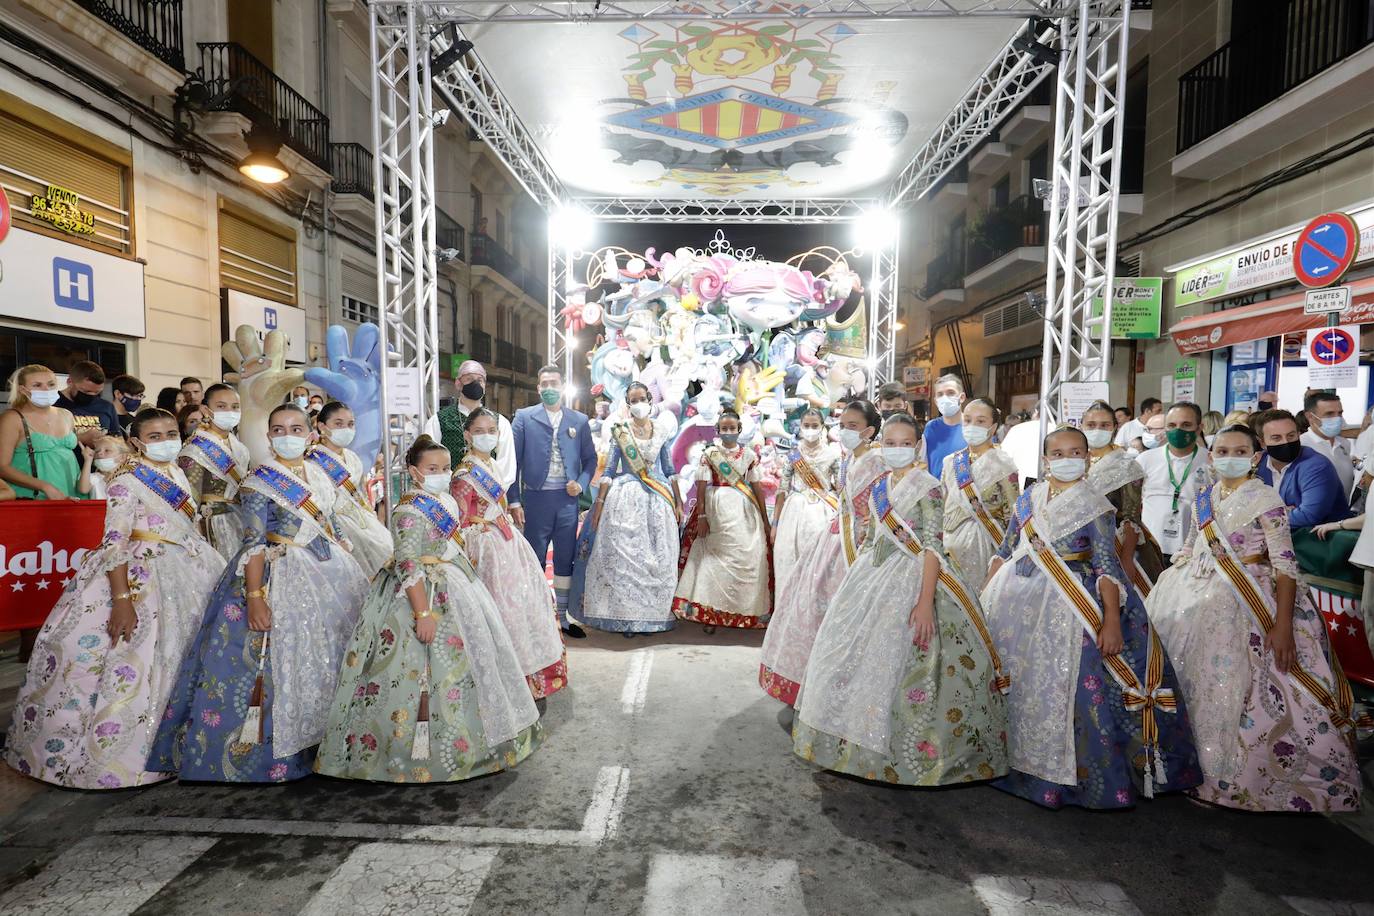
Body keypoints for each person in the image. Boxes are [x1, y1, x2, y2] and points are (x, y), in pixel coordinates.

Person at [5, 408, 226, 789]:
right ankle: (132, 757)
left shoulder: (174, 472)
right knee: (137, 661)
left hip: (186, 570)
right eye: (154, 436)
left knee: (184, 657)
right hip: (140, 574)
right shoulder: (126, 479)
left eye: (171, 432)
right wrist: (122, 600)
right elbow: (114, 542)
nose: (165, 441)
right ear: (137, 442)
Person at [981, 426, 1200, 809]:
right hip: (1016, 605)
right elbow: (1005, 549)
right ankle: (1011, 761)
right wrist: (982, 599)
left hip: (1073, 604)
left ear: (1087, 457)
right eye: (1059, 452)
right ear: (1047, 459)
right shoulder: (1029, 498)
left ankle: (1062, 778)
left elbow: (1106, 566)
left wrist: (1111, 620)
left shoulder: (1095, 504)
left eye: (1076, 451)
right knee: (1018, 683)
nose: (1068, 459)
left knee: (1069, 688)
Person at [149, 404, 370, 783]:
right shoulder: (258, 482)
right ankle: (281, 751)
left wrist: (349, 557)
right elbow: (252, 543)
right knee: (284, 660)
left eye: (297, 428)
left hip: (330, 570)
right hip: (281, 573)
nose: (289, 435)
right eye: (280, 429)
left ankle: (330, 740)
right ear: (269, 437)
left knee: (333, 653)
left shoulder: (318, 474)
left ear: (310, 434)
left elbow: (330, 521)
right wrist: (254, 596)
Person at [1148, 425, 1359, 812]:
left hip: (1250, 600)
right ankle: (1186, 765)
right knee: (1194, 681)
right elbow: (1192, 546)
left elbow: (1285, 565)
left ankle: (1235, 778)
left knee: (1247, 686)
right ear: (1211, 456)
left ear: (1255, 457)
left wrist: (1282, 626)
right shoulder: (1203, 499)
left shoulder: (1267, 500)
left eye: (1240, 450)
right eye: (1223, 449)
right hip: (1196, 599)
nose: (1231, 456)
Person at [793, 411, 1009, 785]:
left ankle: (901, 757)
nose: (897, 450)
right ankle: (850, 748)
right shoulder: (880, 486)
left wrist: (924, 602)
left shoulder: (929, 487)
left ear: (917, 446)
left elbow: (932, 548)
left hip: (916, 578)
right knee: (848, 658)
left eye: (905, 444)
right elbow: (872, 537)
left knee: (905, 664)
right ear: (881, 444)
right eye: (889, 444)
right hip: (872, 578)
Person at [317, 436, 543, 782]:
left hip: (455, 586)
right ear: (414, 472)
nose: (440, 474)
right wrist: (423, 614)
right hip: (417, 597)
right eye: (431, 469)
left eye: (445, 468)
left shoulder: (446, 501)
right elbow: (408, 565)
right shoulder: (408, 510)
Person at [762, 399, 881, 704]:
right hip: (833, 537)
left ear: (868, 431)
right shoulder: (850, 458)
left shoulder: (875, 462)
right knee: (811, 605)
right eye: (842, 425)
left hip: (855, 544)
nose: (844, 431)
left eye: (852, 426)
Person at [451, 410, 568, 696]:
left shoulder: (488, 463)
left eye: (491, 429)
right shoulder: (464, 475)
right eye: (479, 430)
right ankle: (504, 681)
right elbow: (461, 523)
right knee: (502, 608)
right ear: (467, 435)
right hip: (486, 549)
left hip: (506, 541)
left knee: (522, 603)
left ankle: (528, 672)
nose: (486, 435)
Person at [580, 383, 680, 634]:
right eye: (632, 400)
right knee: (624, 560)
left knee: (656, 558)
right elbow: (610, 471)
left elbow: (669, 470)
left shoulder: (661, 430)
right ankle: (626, 617)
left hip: (657, 499)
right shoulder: (620, 432)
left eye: (642, 399)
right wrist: (600, 504)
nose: (638, 404)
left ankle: (651, 615)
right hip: (623, 499)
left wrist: (678, 502)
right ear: (627, 404)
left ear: (649, 400)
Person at [509, 365, 596, 638]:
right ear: (538, 388)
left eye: (553, 383)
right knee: (534, 559)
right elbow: (513, 462)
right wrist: (514, 501)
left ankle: (563, 617)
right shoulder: (524, 418)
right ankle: (535, 616)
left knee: (564, 558)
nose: (549, 388)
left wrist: (580, 484)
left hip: (567, 501)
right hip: (535, 500)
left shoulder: (579, 421)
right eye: (544, 383)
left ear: (562, 386)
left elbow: (591, 460)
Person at [674, 409, 773, 629]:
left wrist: (765, 520)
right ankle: (710, 612)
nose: (729, 432)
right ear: (718, 431)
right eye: (724, 428)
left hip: (744, 511)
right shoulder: (709, 454)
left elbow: (757, 488)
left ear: (739, 430)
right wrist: (701, 515)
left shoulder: (749, 456)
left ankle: (744, 612)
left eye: (732, 428)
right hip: (715, 507)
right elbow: (701, 488)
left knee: (748, 554)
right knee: (714, 557)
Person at [1082, 401, 1164, 592]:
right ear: (1082, 426)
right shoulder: (1075, 458)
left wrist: (1126, 559)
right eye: (1091, 425)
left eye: (1105, 425)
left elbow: (1131, 517)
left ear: (1114, 427)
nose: (1098, 429)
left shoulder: (1126, 465)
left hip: (1116, 545)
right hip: (1078, 544)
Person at [938, 398, 1018, 585]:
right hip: (949, 545)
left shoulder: (1004, 465)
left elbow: (1013, 516)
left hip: (986, 546)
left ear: (993, 427)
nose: (972, 425)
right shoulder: (951, 462)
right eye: (967, 420)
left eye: (981, 421)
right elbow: (942, 504)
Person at [310, 402, 393, 578]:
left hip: (360, 517)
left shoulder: (352, 457)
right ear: (322, 426)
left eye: (350, 424)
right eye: (338, 424)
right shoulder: (313, 461)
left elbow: (360, 493)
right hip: (335, 524)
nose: (346, 429)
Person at [177, 384, 250, 562]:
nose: (229, 412)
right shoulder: (196, 449)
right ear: (205, 409)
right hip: (214, 524)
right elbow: (189, 498)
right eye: (221, 406)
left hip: (240, 519)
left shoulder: (238, 446)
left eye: (235, 407)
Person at [772, 409, 842, 589]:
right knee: (790, 562)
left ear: (822, 427)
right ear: (801, 427)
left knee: (820, 563)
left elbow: (841, 488)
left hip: (825, 512)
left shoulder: (833, 454)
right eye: (806, 426)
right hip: (794, 513)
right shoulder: (793, 455)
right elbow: (782, 489)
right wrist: (775, 524)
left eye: (814, 426)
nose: (810, 429)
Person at [1136, 402, 1210, 563]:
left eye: (1186, 425)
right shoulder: (1145, 460)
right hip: (1150, 548)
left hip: (1191, 550)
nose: (1178, 430)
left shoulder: (1210, 461)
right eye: (1171, 425)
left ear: (1199, 428)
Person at [424, 361, 516, 488]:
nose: (475, 383)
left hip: (490, 495)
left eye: (480, 380)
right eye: (469, 379)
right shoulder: (439, 420)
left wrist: (492, 494)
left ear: (484, 385)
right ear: (458, 383)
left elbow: (506, 462)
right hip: (451, 493)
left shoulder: (500, 422)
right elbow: (429, 459)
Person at [1253, 408, 1351, 529]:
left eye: (1291, 435)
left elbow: (1308, 516)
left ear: (1299, 434)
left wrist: (1260, 520)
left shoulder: (1316, 466)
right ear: (1262, 443)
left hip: (1320, 542)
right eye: (1276, 438)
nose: (1286, 442)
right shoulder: (1258, 464)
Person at [0, 365, 82, 500]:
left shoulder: (66, 414)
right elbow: (2, 467)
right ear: (23, 390)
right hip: (32, 497)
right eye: (37, 385)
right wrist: (45, 486)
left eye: (51, 384)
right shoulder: (12, 418)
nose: (46, 389)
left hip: (71, 494)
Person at [1300, 391, 1354, 498]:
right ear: (1310, 416)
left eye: (1340, 413)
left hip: (1345, 512)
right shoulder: (1301, 445)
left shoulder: (1344, 443)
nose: (1338, 419)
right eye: (1329, 414)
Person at [54, 359, 120, 443]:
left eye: (97, 392)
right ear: (70, 382)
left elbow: (118, 440)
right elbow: (44, 440)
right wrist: (79, 438)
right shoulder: (53, 404)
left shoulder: (106, 407)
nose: (92, 395)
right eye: (86, 391)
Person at [921, 374, 967, 481]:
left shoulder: (974, 428)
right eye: (940, 394)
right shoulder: (930, 428)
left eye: (950, 393)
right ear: (936, 401)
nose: (945, 398)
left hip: (966, 493)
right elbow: (924, 462)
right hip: (937, 494)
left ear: (962, 397)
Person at [87, 435, 130, 500]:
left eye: (107, 450)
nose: (100, 453)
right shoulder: (93, 478)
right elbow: (83, 489)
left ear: (122, 457)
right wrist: (87, 461)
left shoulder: (129, 479)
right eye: (97, 451)